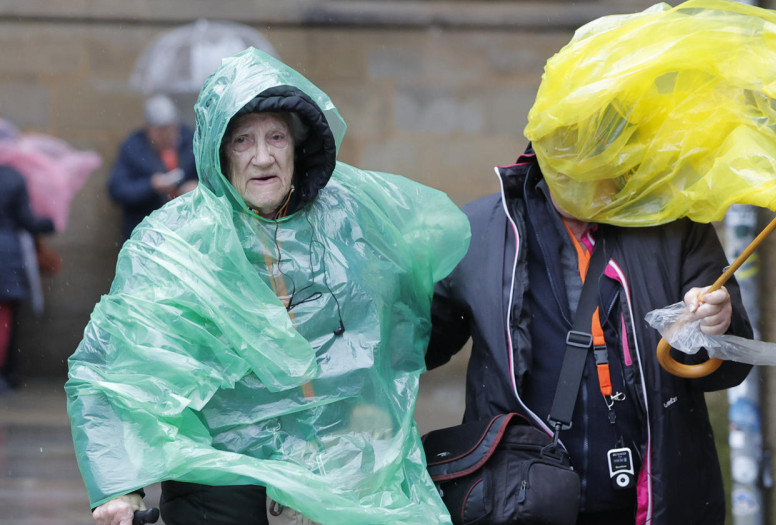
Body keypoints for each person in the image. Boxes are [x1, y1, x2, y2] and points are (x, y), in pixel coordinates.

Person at [69, 48, 468, 525]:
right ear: (219, 151)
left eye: (276, 136)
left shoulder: (348, 215)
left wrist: (363, 438)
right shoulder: (176, 240)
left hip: (337, 465)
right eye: (242, 140)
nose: (262, 157)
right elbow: (121, 366)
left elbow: (407, 313)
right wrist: (120, 487)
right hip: (218, 475)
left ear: (297, 146)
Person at [426, 145, 754, 524]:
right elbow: (419, 346)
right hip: (515, 500)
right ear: (541, 150)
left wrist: (716, 326)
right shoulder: (479, 229)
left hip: (655, 496)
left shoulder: (674, 226)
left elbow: (727, 370)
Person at [108, 94, 199, 239]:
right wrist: (150, 185)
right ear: (148, 128)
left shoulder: (192, 141)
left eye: (169, 129)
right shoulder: (133, 147)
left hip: (187, 229)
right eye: (159, 130)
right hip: (147, 231)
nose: (165, 135)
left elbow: (214, 177)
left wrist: (198, 188)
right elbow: (117, 189)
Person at [0, 162, 55, 393]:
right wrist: (49, 223)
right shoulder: (13, 176)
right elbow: (27, 220)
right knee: (5, 318)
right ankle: (4, 374)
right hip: (7, 254)